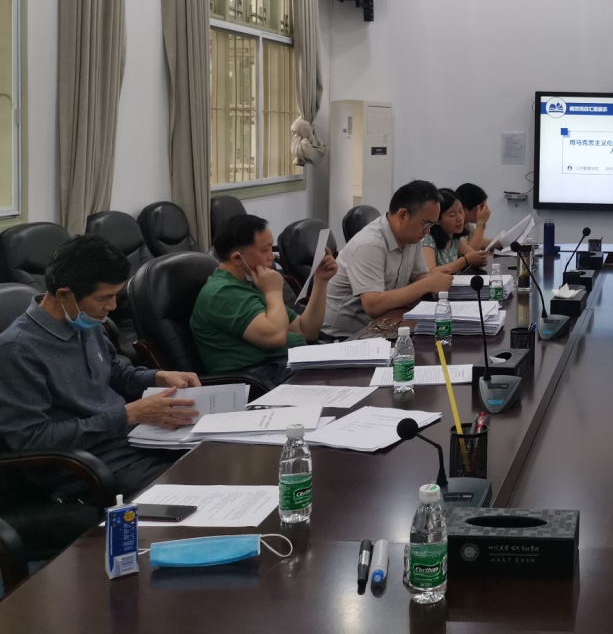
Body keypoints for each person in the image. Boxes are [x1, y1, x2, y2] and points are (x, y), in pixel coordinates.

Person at [0, 236, 201, 497]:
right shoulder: (17, 349)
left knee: (220, 455)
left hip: (135, 440)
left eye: (115, 295)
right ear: (64, 295)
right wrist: (127, 415)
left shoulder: (84, 321)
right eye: (104, 298)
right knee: (198, 486)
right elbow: (32, 439)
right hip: (88, 465)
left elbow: (113, 373)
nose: (112, 307)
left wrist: (158, 377)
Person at [190, 214, 338, 386]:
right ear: (237, 258)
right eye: (265, 250)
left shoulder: (250, 283)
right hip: (258, 380)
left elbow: (306, 330)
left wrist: (320, 281)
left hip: (283, 367)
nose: (272, 256)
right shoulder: (222, 293)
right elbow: (275, 337)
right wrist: (273, 291)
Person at [323, 179, 453, 337]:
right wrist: (428, 284)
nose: (427, 232)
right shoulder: (369, 244)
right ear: (403, 215)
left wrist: (434, 283)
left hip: (385, 324)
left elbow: (419, 276)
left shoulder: (412, 237)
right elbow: (373, 305)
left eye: (431, 226)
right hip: (344, 336)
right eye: (426, 224)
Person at [422, 188, 490, 275]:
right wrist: (465, 260)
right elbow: (431, 273)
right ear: (437, 219)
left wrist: (480, 259)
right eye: (452, 215)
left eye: (461, 211)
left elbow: (475, 258)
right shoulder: (428, 240)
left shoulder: (454, 239)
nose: (460, 218)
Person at [455, 182, 494, 251]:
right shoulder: (454, 228)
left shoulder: (468, 226)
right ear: (463, 208)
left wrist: (510, 242)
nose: (485, 211)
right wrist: (481, 222)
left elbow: (485, 243)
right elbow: (472, 252)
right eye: (482, 207)